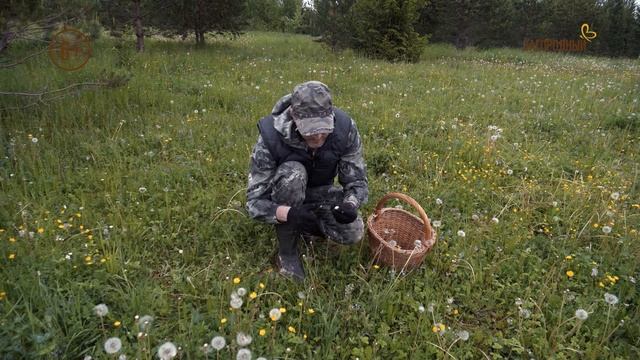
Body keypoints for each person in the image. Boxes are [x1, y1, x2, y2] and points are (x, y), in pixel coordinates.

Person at [246, 81, 368, 281]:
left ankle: (308, 226)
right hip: (285, 196)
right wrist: (290, 213)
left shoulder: (345, 128)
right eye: (310, 129)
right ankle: (287, 252)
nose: (319, 136)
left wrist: (351, 203)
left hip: (320, 192)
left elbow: (357, 180)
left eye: (324, 128)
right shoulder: (271, 136)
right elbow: (254, 202)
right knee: (294, 172)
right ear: (294, 116)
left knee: (353, 232)